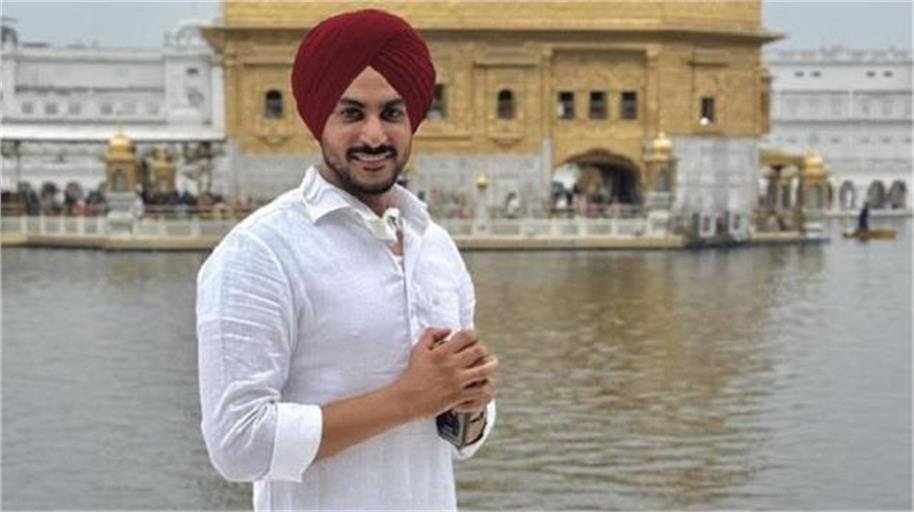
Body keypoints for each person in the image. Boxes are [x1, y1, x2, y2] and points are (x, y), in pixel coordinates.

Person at [196, 9, 498, 511]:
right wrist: (407, 399)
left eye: (392, 114)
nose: (374, 137)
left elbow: (460, 440)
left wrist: (469, 401)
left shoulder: (435, 247)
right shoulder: (263, 251)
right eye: (352, 114)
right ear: (319, 118)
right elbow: (237, 444)